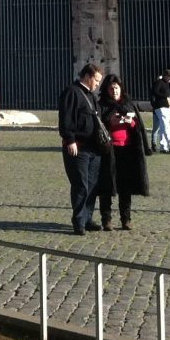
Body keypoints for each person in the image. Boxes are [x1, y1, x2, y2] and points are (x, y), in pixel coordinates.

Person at [97, 74, 149, 231]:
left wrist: (131, 122)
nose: (114, 91)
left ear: (121, 89)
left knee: (125, 187)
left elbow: (138, 127)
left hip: (127, 150)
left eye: (117, 88)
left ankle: (126, 219)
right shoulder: (102, 105)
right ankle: (106, 220)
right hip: (109, 151)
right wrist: (109, 121)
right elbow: (98, 125)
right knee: (107, 186)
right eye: (111, 88)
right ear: (107, 90)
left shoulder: (129, 104)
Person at [58, 62, 105, 235]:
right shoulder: (72, 92)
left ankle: (87, 217)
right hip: (78, 147)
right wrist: (69, 140)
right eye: (96, 80)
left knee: (92, 185)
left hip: (94, 147)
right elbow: (66, 118)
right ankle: (78, 220)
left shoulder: (91, 95)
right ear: (87, 76)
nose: (98, 84)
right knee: (80, 185)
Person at [150, 69, 170, 154]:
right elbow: (154, 92)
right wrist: (165, 96)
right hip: (160, 107)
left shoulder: (166, 84)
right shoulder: (160, 82)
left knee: (165, 127)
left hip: (166, 107)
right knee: (165, 126)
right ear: (165, 76)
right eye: (169, 76)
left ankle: (163, 147)